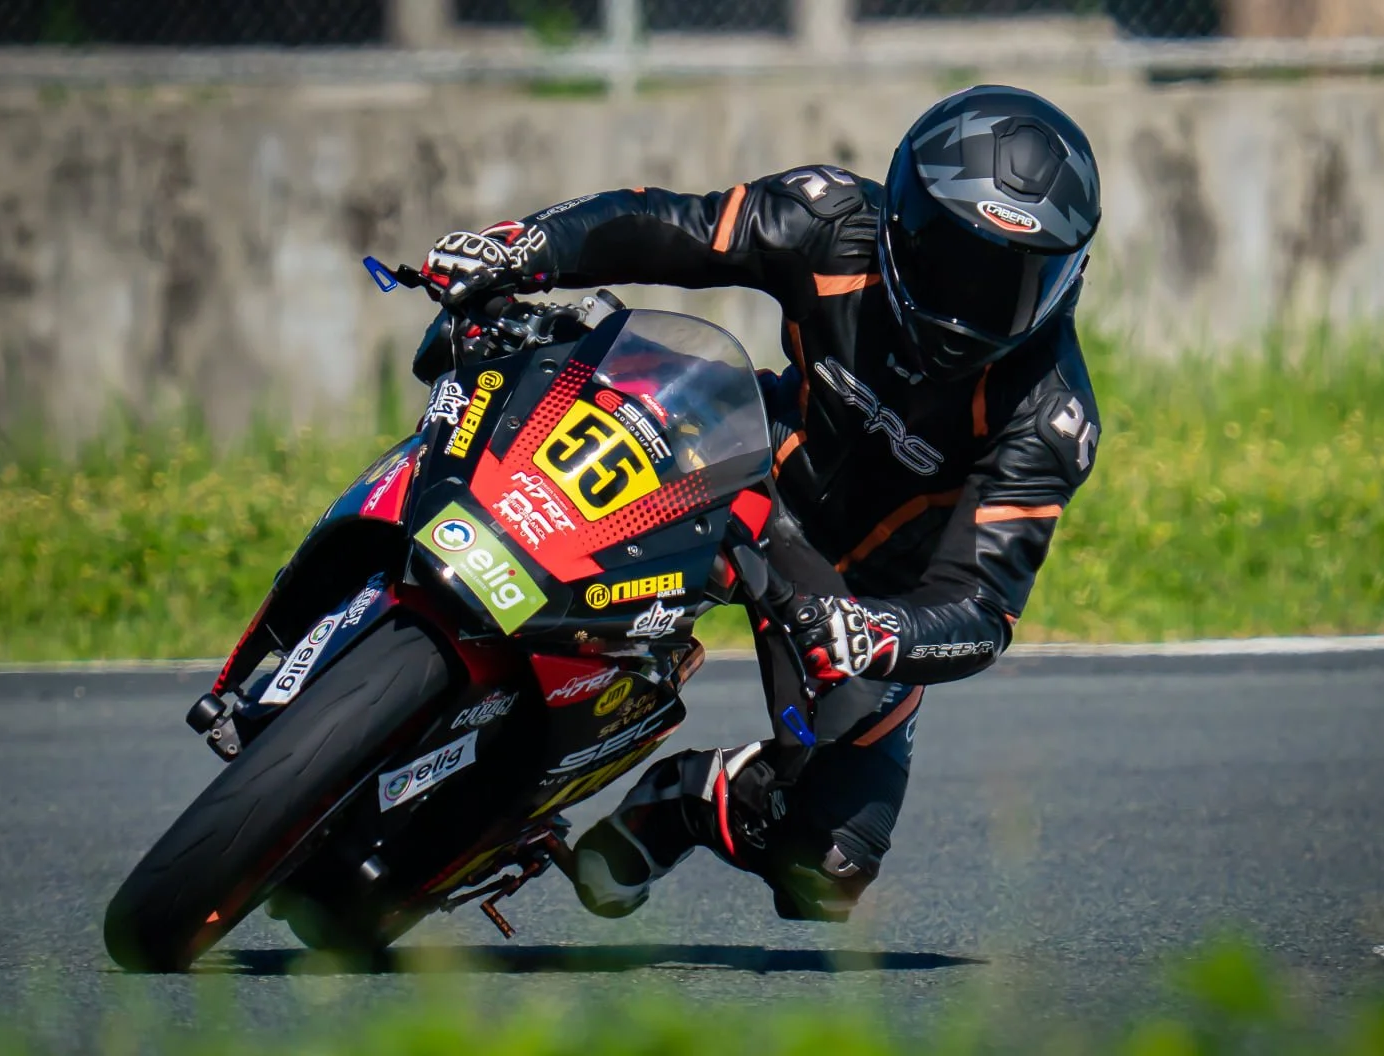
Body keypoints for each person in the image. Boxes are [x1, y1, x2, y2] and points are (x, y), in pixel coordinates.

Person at [417, 85, 1103, 922]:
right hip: (731, 462)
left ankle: (684, 799)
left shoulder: (1050, 415)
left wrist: (879, 634)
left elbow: (983, 608)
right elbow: (670, 224)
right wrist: (529, 247)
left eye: (1010, 283)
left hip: (852, 596)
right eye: (954, 262)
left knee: (832, 868)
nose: (970, 306)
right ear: (903, 224)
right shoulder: (828, 219)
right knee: (525, 500)